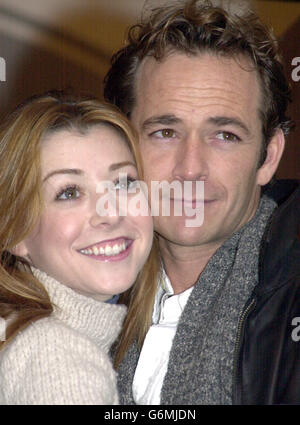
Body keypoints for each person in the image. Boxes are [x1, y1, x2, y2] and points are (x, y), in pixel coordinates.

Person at [104, 0, 300, 404]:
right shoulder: (65, 297)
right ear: (121, 145)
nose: (190, 169)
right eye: (164, 132)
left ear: (268, 156)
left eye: (224, 135)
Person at [0, 92, 158, 405]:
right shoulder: (57, 358)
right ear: (15, 231)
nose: (110, 213)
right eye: (70, 192)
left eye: (124, 183)